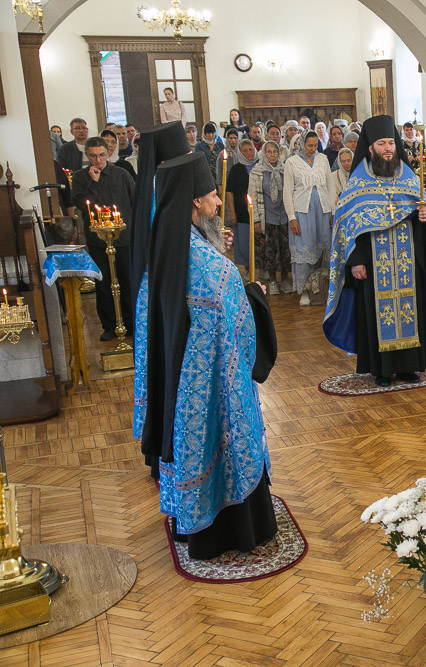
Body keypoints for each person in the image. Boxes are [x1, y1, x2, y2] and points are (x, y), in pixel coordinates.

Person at [137, 150, 277, 560]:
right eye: (213, 196)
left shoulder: (166, 245)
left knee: (193, 446)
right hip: (212, 379)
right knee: (223, 439)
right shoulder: (207, 264)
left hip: (179, 379)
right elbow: (234, 322)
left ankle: (193, 522)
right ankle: (234, 529)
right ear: (196, 201)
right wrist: (254, 295)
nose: (219, 201)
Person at [323, 115, 426, 386]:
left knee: (409, 309)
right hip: (372, 263)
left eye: (391, 143)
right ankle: (380, 370)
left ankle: (408, 366)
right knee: (376, 314)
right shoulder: (359, 181)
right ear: (370, 148)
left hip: (406, 261)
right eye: (381, 144)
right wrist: (355, 261)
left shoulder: (408, 176)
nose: (388, 148)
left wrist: (424, 217)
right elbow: (348, 226)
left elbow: (422, 212)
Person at [130, 121, 194, 482]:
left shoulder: (153, 189)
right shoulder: (161, 193)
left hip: (154, 293)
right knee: (166, 364)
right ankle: (163, 450)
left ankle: (159, 449)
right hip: (163, 296)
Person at [69, 137, 135, 340]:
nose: (98, 160)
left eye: (101, 155)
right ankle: (110, 325)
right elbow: (82, 205)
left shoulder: (121, 174)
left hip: (123, 238)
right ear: (87, 156)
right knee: (103, 283)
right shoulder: (80, 177)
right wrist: (93, 182)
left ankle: (131, 323)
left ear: (108, 153)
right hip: (98, 240)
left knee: (127, 281)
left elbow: (135, 201)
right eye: (93, 156)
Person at [284, 130, 337, 305]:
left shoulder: (322, 159)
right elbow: (287, 192)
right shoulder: (291, 162)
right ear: (301, 144)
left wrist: (333, 211)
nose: (312, 149)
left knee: (324, 248)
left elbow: (330, 186)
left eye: (315, 145)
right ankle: (305, 291)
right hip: (302, 212)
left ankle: (323, 287)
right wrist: (292, 217)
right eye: (309, 145)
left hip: (323, 210)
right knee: (303, 250)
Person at [250, 140, 293, 295]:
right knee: (269, 251)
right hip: (267, 216)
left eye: (275, 152)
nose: (272, 155)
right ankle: (273, 281)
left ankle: (285, 280)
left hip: (283, 216)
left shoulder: (284, 170)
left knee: (285, 250)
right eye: (269, 152)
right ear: (264, 154)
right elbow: (252, 197)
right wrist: (255, 220)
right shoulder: (257, 172)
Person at [225, 139, 259, 277]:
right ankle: (248, 269)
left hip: (259, 211)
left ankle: (261, 268)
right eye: (245, 151)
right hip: (242, 212)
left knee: (260, 242)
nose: (249, 153)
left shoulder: (260, 165)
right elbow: (229, 192)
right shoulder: (236, 169)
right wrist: (232, 212)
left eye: (250, 149)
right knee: (245, 243)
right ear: (240, 153)